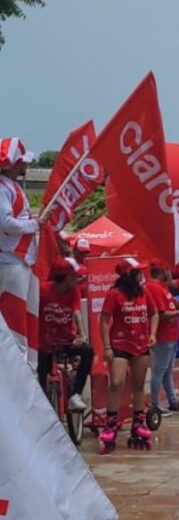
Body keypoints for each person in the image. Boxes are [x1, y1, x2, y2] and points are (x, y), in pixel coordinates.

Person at [0, 137, 53, 357]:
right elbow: (5, 224)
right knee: (15, 326)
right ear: (17, 163)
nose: (27, 165)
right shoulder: (3, 188)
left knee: (26, 322)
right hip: (10, 260)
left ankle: (27, 371)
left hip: (23, 261)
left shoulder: (12, 187)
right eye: (24, 162)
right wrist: (35, 224)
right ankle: (16, 377)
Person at [99, 258, 158, 453]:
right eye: (138, 272)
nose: (141, 275)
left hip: (141, 344)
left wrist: (152, 334)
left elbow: (154, 313)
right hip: (119, 344)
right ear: (129, 275)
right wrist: (107, 347)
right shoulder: (114, 295)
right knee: (116, 382)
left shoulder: (144, 293)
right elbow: (104, 320)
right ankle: (111, 423)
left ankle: (138, 423)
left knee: (139, 384)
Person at [37, 260, 93, 410]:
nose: (78, 280)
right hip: (44, 343)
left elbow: (77, 313)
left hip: (66, 341)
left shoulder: (73, 291)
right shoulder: (41, 290)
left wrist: (82, 335)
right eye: (75, 276)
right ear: (66, 277)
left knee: (88, 351)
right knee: (39, 377)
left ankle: (76, 394)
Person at [146, 259, 179, 414]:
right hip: (163, 335)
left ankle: (172, 400)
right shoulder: (154, 288)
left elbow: (173, 306)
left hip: (171, 335)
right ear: (162, 271)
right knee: (160, 370)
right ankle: (154, 404)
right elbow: (161, 314)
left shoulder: (163, 288)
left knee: (167, 370)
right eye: (168, 270)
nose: (171, 274)